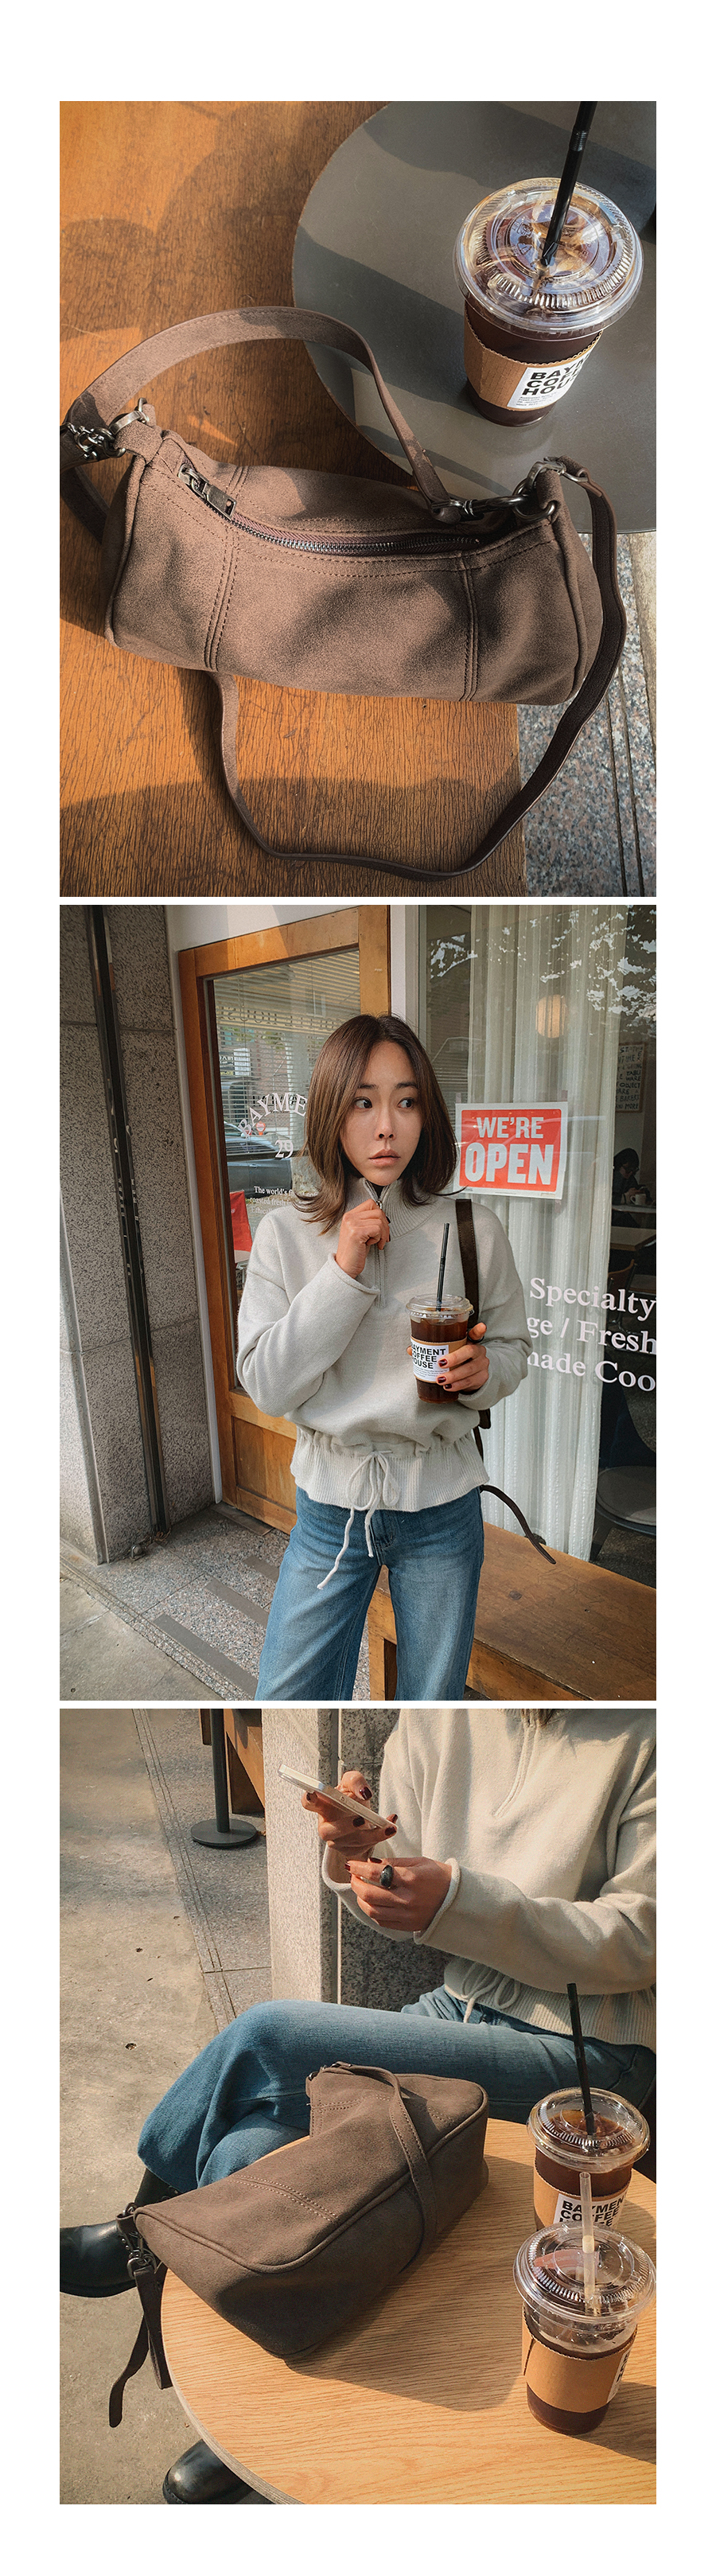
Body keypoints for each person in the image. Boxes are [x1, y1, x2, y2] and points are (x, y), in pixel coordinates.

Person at [60, 1708, 656, 2504]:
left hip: (582, 2050)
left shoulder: (655, 1732)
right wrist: (357, 1857)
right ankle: (263, 2425)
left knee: (268, 2036)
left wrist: (461, 1900)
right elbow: (402, 1894)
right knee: (247, 2150)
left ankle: (141, 2235)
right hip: (457, 2011)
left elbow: (646, 1937)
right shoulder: (444, 1719)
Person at [236, 1014, 531, 1701]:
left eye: (406, 1101)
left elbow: (514, 1347)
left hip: (441, 1505)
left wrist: (485, 1373)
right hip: (329, 1508)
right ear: (332, 1113)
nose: (386, 1127)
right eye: (363, 1102)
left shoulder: (473, 1229)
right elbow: (267, 1385)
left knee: (433, 1706)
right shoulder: (286, 1232)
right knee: (288, 1699)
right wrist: (342, 1269)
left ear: (427, 1114)